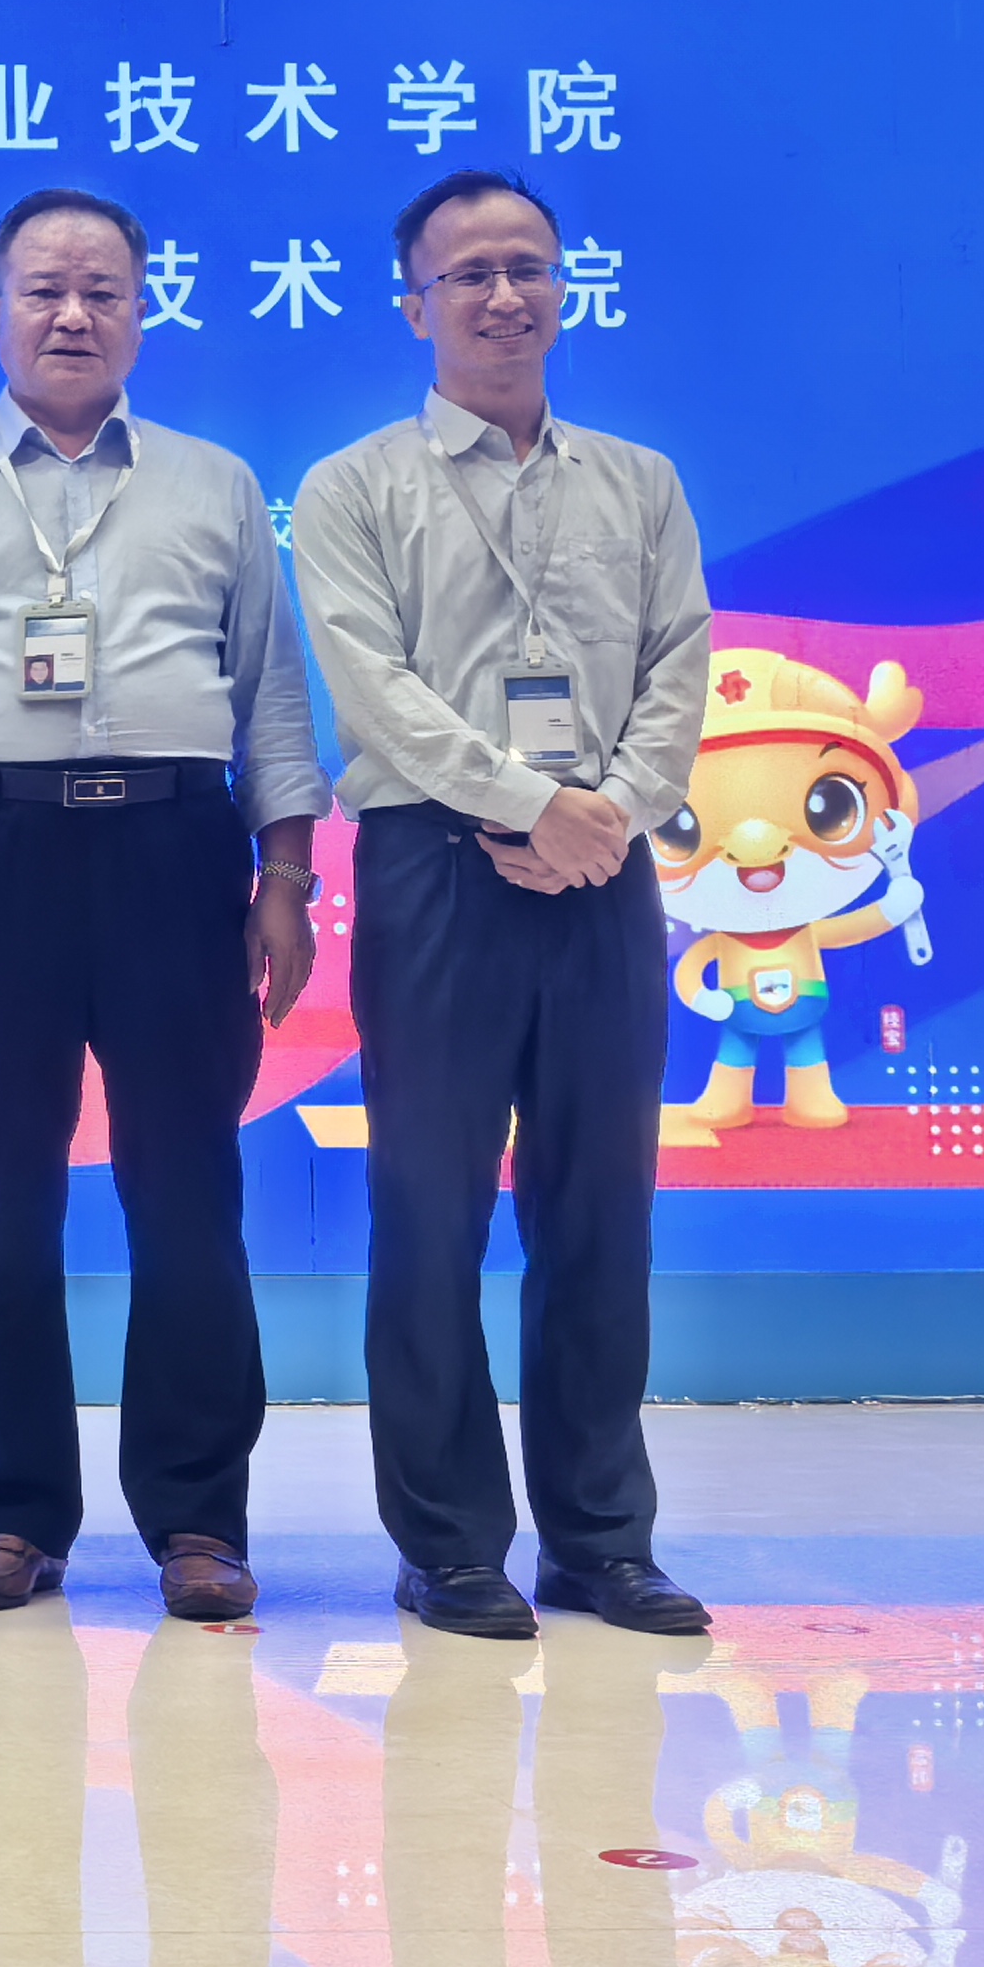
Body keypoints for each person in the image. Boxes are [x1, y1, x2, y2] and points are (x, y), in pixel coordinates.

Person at [0, 187, 328, 1624]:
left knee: (190, 1192)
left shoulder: (215, 484)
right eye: (43, 289)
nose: (71, 315)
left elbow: (272, 701)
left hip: (177, 854)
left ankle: (198, 1517)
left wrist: (284, 879)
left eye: (102, 291)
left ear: (141, 313)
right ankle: (11, 1510)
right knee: (2, 1194)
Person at [293, 169, 714, 1641]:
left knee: (601, 1210)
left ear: (563, 287)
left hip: (605, 870)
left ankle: (602, 1540)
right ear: (413, 303)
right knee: (431, 1211)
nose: (502, 294)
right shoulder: (353, 489)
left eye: (527, 266)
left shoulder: (640, 482)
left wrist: (616, 813)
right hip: (437, 864)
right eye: (467, 273)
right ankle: (451, 1543)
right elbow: (375, 693)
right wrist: (533, 803)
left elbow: (680, 663)